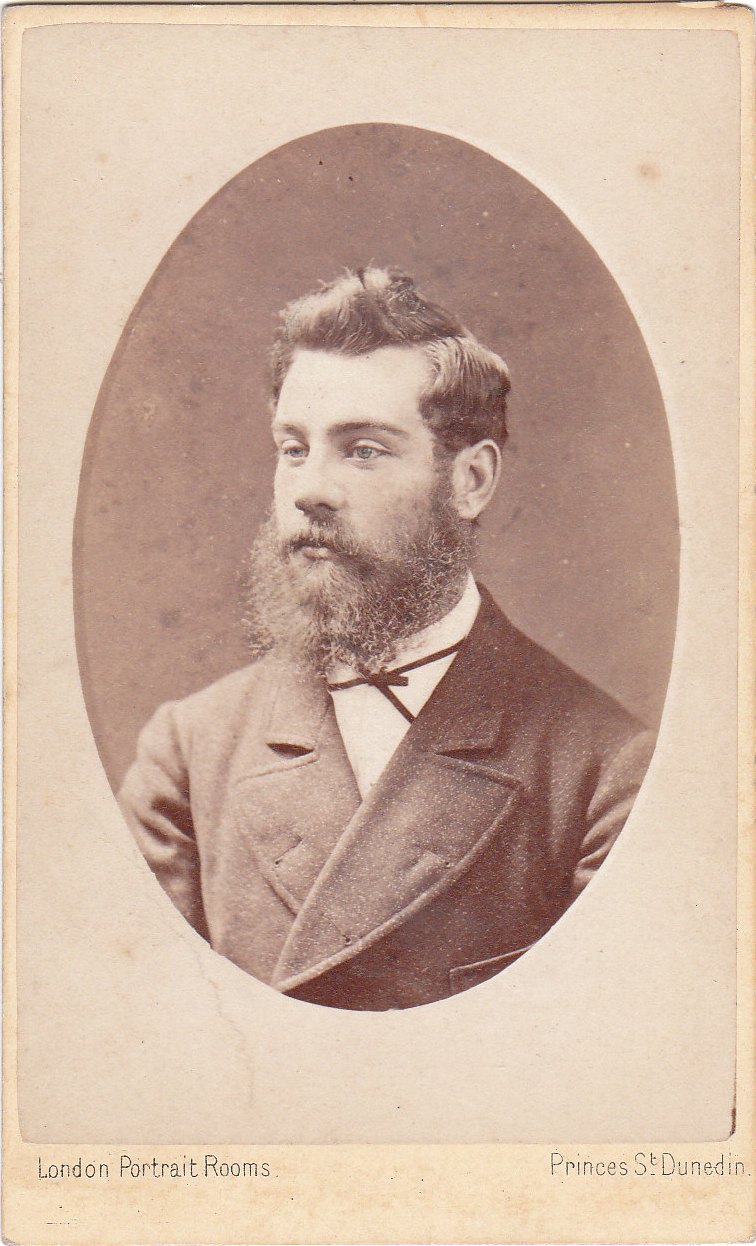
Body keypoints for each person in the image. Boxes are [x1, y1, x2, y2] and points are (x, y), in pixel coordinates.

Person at [119, 266, 655, 1010]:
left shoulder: (606, 774)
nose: (310, 490)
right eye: (293, 448)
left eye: (363, 450)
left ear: (470, 481)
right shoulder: (187, 753)